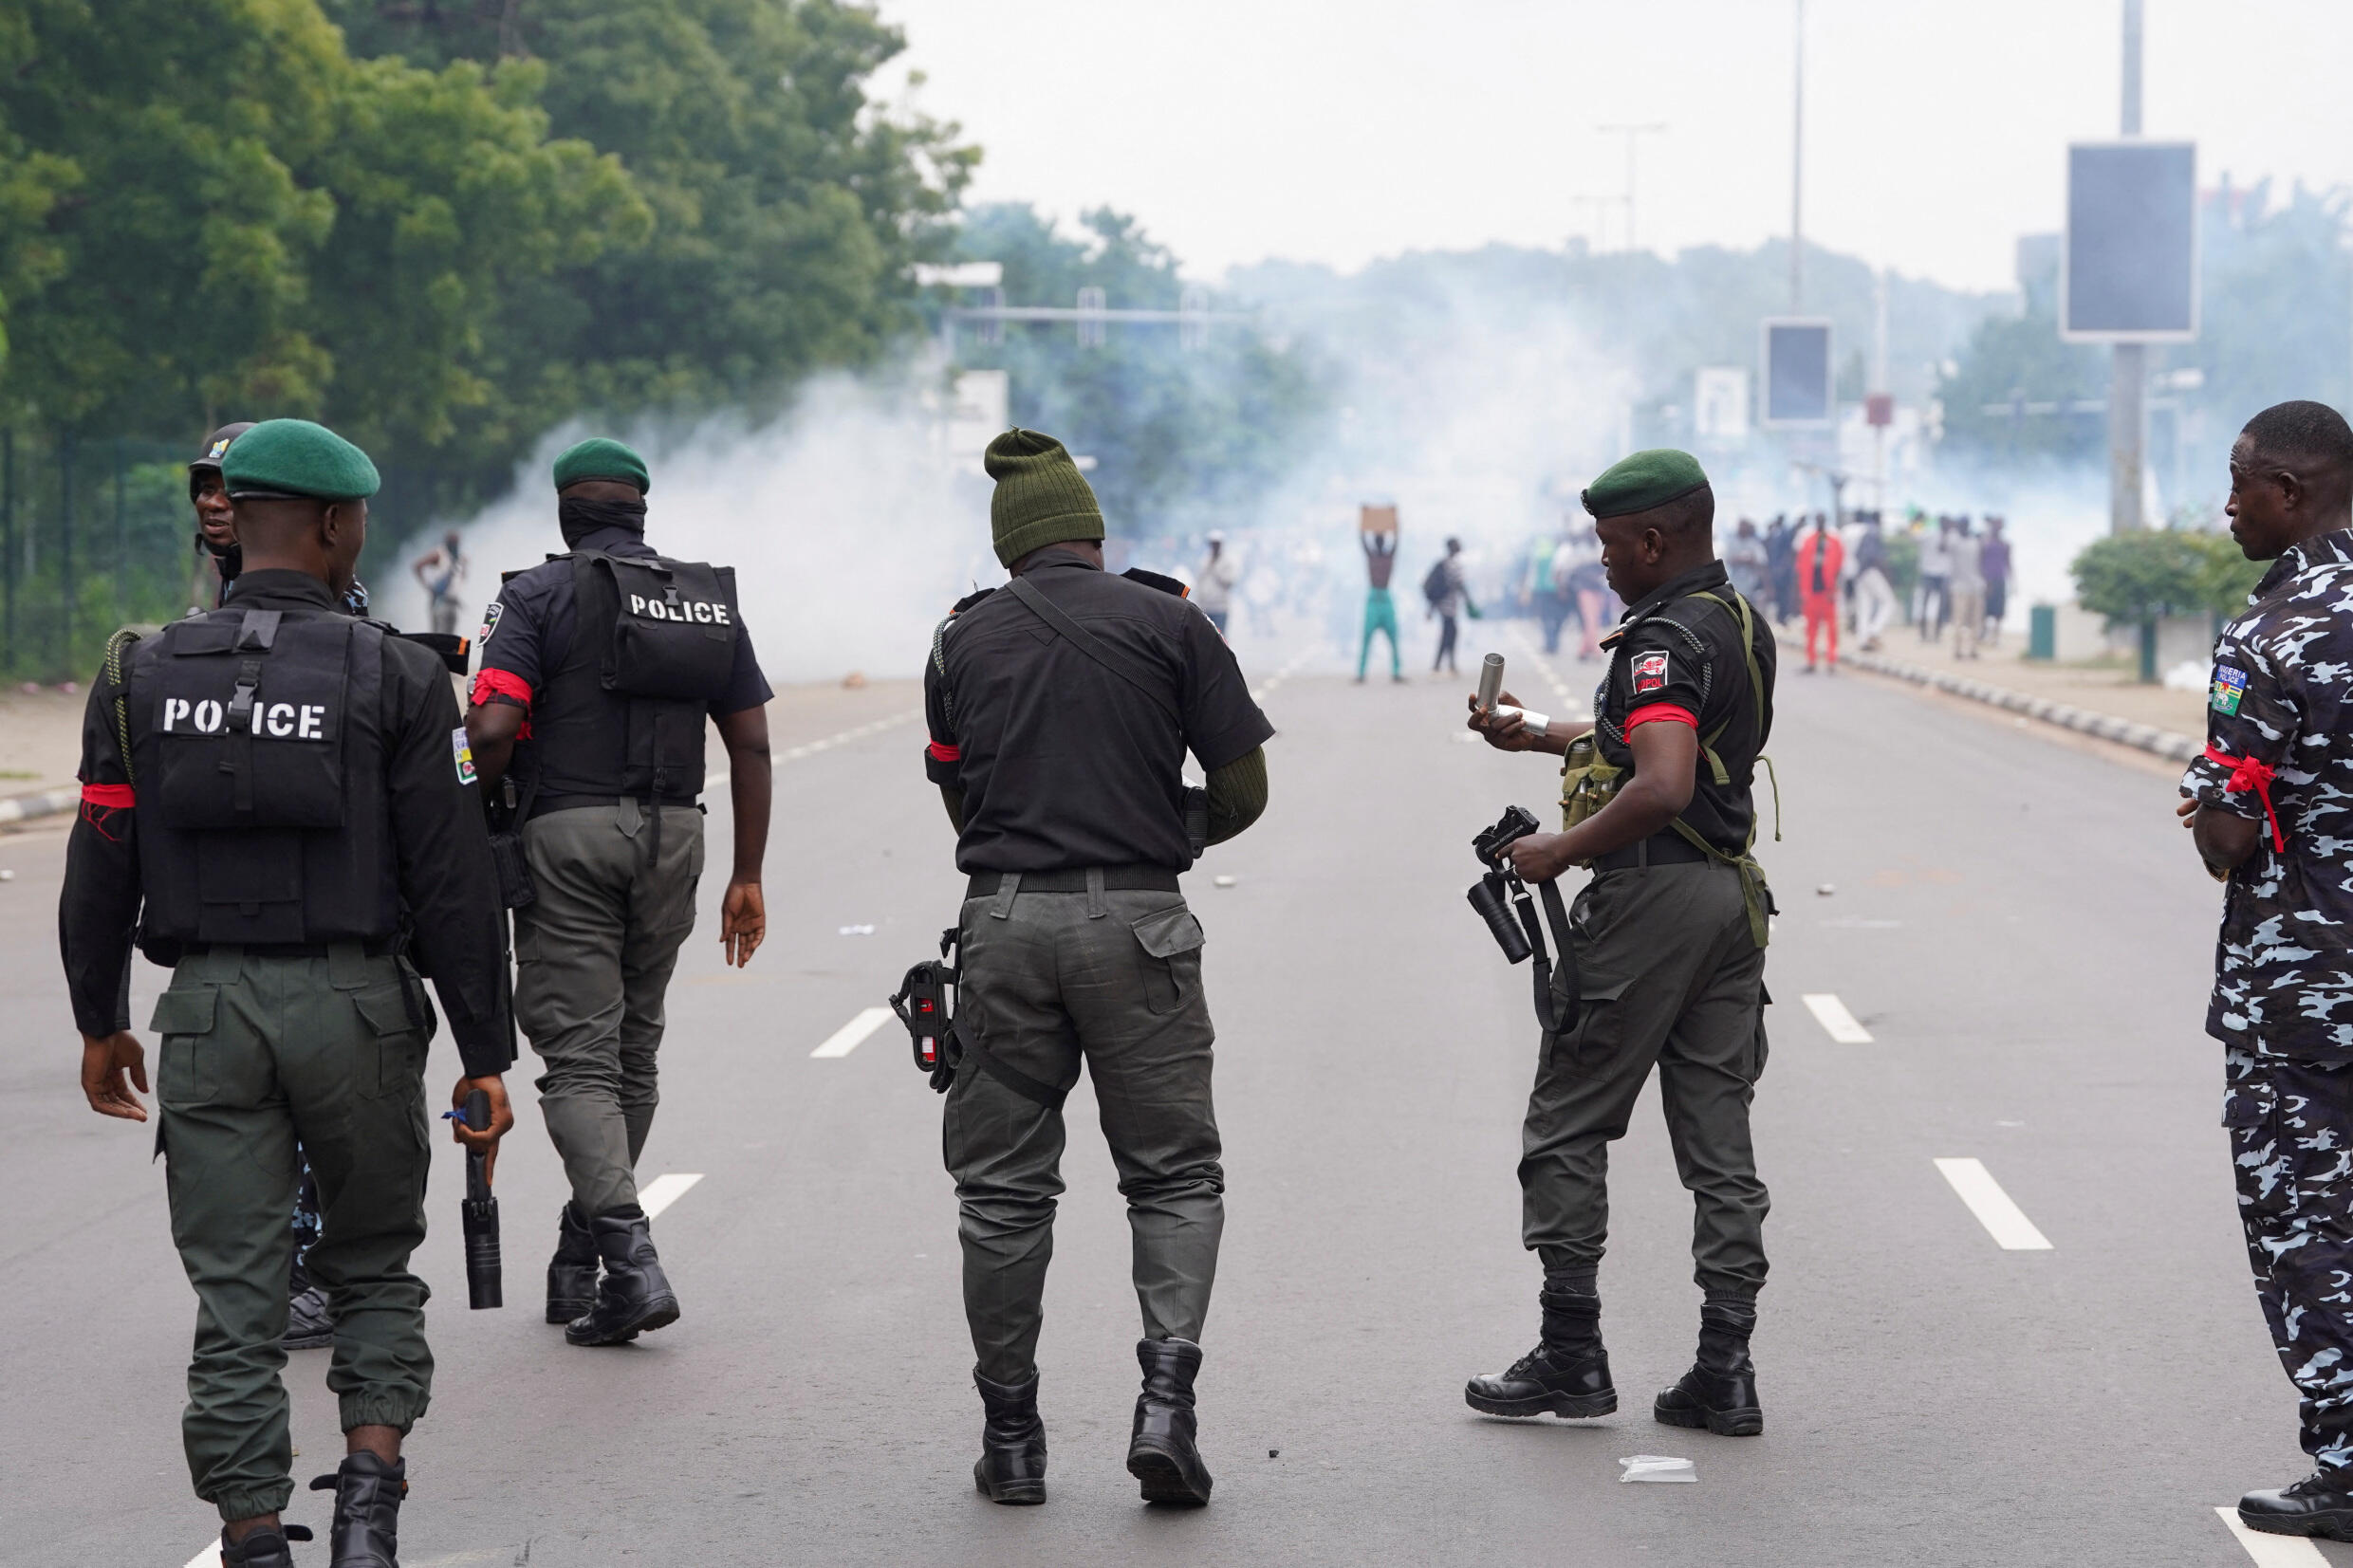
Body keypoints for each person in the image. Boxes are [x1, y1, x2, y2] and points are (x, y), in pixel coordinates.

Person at [59, 418, 516, 1568]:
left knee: (236, 1303)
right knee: (369, 1267)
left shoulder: (136, 670)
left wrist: (100, 1021)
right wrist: (484, 1055)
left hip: (205, 1018)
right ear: (330, 526)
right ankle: (369, 1505)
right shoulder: (403, 674)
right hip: (358, 1009)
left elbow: (99, 862)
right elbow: (454, 880)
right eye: (356, 521)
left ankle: (255, 1540)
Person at [921, 428, 1273, 1508]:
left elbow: (955, 793)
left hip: (1005, 927)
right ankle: (1164, 1405)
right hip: (1140, 927)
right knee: (1171, 1175)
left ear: (1008, 547)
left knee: (1001, 1196)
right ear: (1090, 532)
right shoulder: (1171, 620)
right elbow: (1244, 788)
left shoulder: (959, 642)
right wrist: (1158, 833)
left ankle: (1013, 1439)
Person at [1463, 447, 1777, 1444]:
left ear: (1652, 539)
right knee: (1717, 1143)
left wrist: (1561, 849)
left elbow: (1663, 781)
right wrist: (1540, 733)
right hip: (1727, 904)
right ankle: (1722, 1370)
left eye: (1608, 545)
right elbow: (1662, 744)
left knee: (1565, 1120)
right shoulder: (1732, 618)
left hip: (1648, 902)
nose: (1598, 562)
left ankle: (1570, 1353)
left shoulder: (1657, 641)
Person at [464, 437, 774, 1346]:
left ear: (565, 514)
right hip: (678, 837)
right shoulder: (703, 599)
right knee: (634, 1051)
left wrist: (455, 783)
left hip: (567, 837)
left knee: (579, 1060)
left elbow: (491, 723)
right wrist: (747, 873)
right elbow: (750, 743)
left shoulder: (535, 595)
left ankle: (630, 1261)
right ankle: (580, 1251)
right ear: (642, 512)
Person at [2177, 400, 2353, 1543]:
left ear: (2288, 490)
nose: (2229, 504)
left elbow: (2227, 839)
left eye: (2240, 484)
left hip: (2301, 997)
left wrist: (2205, 802)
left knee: (2307, 1224)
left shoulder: (2273, 634)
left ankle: (2344, 1460)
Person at [187, 422, 255, 615]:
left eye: (231, 492)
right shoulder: (234, 572)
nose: (213, 503)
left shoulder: (289, 585)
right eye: (208, 489)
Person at [1357, 515, 1404, 684]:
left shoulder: (1385, 557)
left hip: (1384, 597)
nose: (1379, 542)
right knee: (1367, 637)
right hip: (1375, 598)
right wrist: (1364, 519)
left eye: (1380, 539)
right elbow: (1362, 540)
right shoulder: (1374, 557)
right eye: (1378, 539)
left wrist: (1394, 522)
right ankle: (1361, 673)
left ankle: (1396, 672)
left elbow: (1396, 541)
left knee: (1393, 638)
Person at [1795, 512, 1843, 673]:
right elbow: (1801, 568)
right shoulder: (1808, 542)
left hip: (1827, 593)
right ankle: (1811, 660)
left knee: (1831, 628)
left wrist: (1833, 588)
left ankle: (1831, 660)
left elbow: (1839, 567)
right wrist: (1803, 591)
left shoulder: (1834, 542)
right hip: (1811, 593)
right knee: (1811, 629)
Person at [1428, 535, 1476, 675]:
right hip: (1448, 605)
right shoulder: (1453, 564)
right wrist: (1469, 602)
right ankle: (1446, 665)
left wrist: (1431, 609)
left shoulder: (1444, 563)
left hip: (1445, 605)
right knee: (1450, 633)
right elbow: (1460, 585)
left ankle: (1443, 664)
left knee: (1449, 633)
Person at [1851, 513, 1897, 652]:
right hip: (1871, 571)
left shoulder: (1865, 533)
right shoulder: (1874, 532)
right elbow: (1875, 556)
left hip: (1860, 573)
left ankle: (1863, 640)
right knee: (1889, 602)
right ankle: (1873, 632)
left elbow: (1857, 554)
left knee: (1864, 608)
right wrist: (1887, 573)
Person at [411, 530, 468, 637]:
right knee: (439, 636)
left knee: (450, 637)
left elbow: (463, 576)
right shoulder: (439, 554)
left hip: (453, 602)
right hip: (440, 600)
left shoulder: (459, 557)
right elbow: (418, 566)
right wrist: (428, 586)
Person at [1947, 516, 1985, 660]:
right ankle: (1957, 650)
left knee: (1976, 621)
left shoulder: (1975, 542)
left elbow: (1981, 562)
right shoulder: (1954, 542)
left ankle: (1973, 650)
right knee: (1958, 620)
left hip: (1976, 585)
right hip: (1959, 587)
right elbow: (1943, 547)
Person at [1193, 531, 1239, 636]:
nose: (1214, 546)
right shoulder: (1204, 559)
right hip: (1205, 606)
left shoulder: (1227, 561)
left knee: (1220, 637)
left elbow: (1229, 582)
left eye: (1216, 544)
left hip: (1220, 607)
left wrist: (1215, 568)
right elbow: (1199, 581)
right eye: (1212, 544)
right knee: (1206, 637)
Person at [1915, 516, 1951, 642]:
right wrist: (1917, 522)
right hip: (1928, 573)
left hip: (1944, 575)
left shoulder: (1951, 538)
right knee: (1924, 604)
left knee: (1942, 607)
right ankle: (1923, 634)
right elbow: (1915, 536)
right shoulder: (1929, 534)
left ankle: (1937, 634)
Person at [1980, 515, 2011, 648]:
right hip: (1987, 580)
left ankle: (1996, 637)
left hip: (2000, 579)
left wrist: (2013, 580)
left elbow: (2009, 563)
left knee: (1998, 611)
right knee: (1984, 610)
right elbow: (1979, 561)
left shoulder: (2005, 544)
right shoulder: (1985, 543)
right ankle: (1983, 634)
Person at [1723, 518, 1768, 604]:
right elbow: (1727, 559)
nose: (1742, 528)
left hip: (1751, 584)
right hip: (1735, 583)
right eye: (1741, 526)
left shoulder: (1754, 543)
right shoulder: (1731, 542)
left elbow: (1761, 562)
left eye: (1744, 526)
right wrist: (1739, 559)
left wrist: (1751, 560)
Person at [1763, 515, 1796, 625]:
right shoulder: (1775, 533)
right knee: (1778, 593)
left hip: (1783, 570)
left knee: (1784, 593)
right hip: (1776, 568)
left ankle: (1783, 616)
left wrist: (1783, 567)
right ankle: (1780, 616)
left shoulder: (1785, 533)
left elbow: (1788, 551)